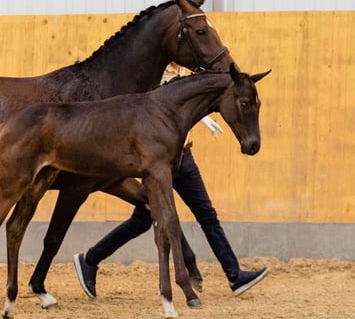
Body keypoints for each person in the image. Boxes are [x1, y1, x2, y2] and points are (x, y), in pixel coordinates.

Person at [73, 62, 268, 299]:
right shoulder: (153, 73)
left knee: (206, 213)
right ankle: (91, 259)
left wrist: (205, 116)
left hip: (183, 156)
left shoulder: (185, 73)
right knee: (145, 218)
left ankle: (234, 274)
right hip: (157, 158)